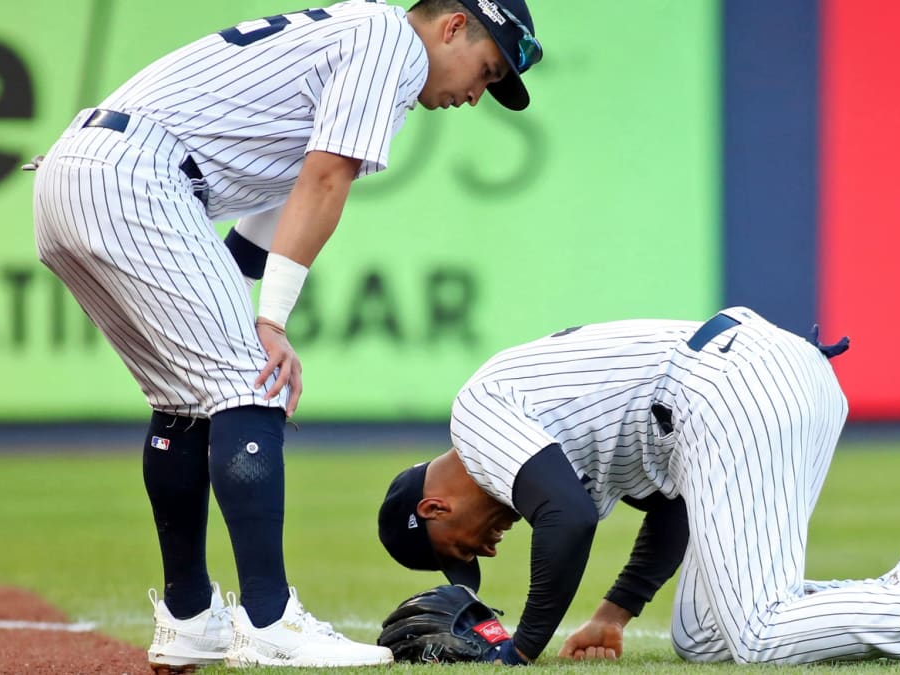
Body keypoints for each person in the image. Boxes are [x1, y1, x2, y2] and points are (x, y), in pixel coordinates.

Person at [29, 0, 542, 671]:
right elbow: (327, 179)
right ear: (452, 27)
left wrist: (249, 314)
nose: (477, 94)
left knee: (190, 399)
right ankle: (269, 619)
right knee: (250, 386)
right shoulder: (392, 42)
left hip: (83, 172)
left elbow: (280, 201)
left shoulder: (359, 35)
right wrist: (268, 324)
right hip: (136, 177)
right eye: (487, 67)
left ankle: (187, 615)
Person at [377, 307, 900, 667]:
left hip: (732, 388)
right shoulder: (536, 444)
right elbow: (669, 506)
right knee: (703, 634)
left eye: (460, 548)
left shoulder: (479, 416)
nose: (484, 552)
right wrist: (616, 611)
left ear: (434, 507)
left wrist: (521, 648)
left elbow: (565, 519)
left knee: (755, 630)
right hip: (753, 384)